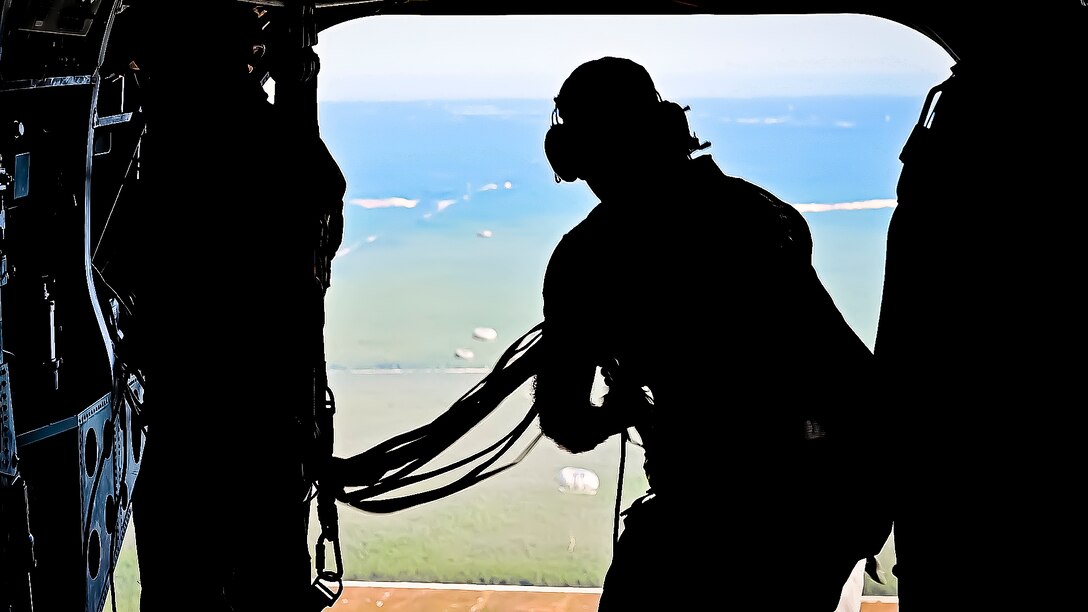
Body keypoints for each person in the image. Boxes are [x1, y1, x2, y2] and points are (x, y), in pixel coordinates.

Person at [531, 56, 891, 610]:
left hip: (714, 512)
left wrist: (621, 409)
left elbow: (567, 421)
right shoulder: (768, 213)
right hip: (843, 494)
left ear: (573, 154)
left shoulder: (589, 257)